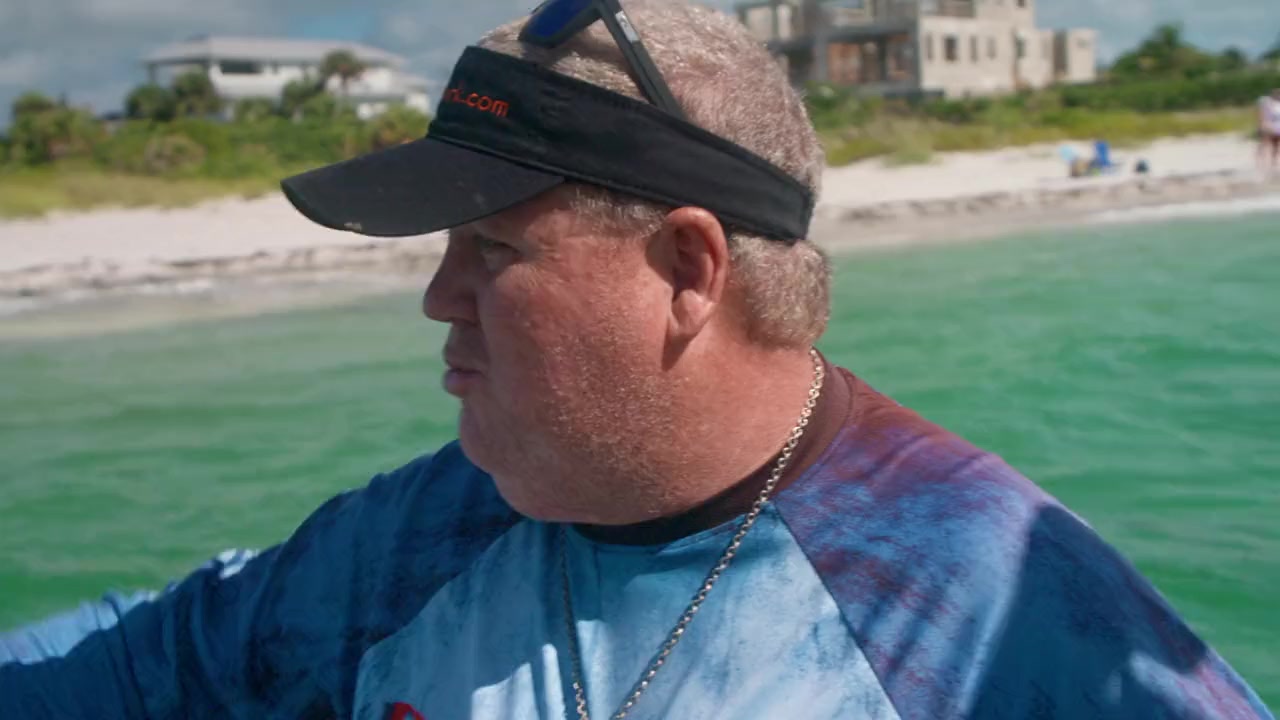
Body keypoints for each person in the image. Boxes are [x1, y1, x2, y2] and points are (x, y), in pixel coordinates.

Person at [1, 1, 1275, 718]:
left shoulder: (1000, 624)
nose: (437, 298)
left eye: (493, 249)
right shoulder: (414, 542)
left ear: (686, 269)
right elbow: (138, 664)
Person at [1259, 88, 1280, 172]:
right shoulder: (1269, 104)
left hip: (1277, 126)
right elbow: (1265, 115)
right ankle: (1262, 160)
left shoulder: (1277, 104)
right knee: (1266, 143)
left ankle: (1273, 161)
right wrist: (1264, 124)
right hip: (1271, 126)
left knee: (1275, 145)